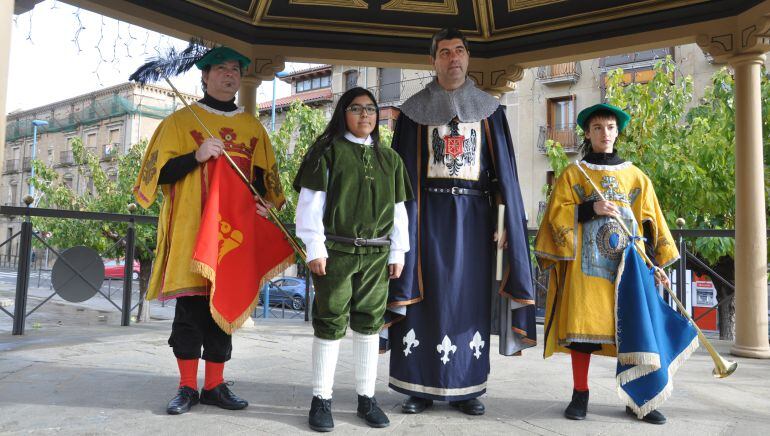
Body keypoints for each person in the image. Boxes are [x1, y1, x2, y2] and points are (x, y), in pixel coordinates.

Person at [385, 28, 537, 416]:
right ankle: (417, 387)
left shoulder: (490, 110)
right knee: (425, 297)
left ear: (467, 58)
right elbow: (400, 176)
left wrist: (505, 220)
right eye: (444, 52)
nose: (453, 58)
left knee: (467, 299)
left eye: (459, 51)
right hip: (427, 217)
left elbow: (504, 174)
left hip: (475, 219)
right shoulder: (413, 110)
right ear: (432, 61)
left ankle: (467, 388)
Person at [133, 46, 284, 415]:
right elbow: (157, 175)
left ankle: (215, 384)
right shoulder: (181, 122)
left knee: (224, 310)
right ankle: (187, 387)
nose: (229, 74)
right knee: (190, 310)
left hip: (234, 236)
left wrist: (265, 202)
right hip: (191, 230)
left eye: (235, 69)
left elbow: (265, 180)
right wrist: (195, 157)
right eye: (221, 69)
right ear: (204, 76)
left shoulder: (252, 127)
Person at [534, 103, 679, 424]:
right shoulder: (574, 173)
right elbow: (555, 216)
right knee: (583, 334)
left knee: (636, 332)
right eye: (598, 128)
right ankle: (579, 394)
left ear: (618, 132)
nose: (605, 134)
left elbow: (652, 223)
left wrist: (656, 264)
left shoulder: (636, 176)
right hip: (585, 271)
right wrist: (589, 209)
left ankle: (638, 397)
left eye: (610, 127)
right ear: (587, 133)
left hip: (628, 270)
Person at [293, 87, 412, 432]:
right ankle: (321, 399)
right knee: (330, 321)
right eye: (357, 108)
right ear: (343, 113)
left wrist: (398, 250)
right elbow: (310, 204)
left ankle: (366, 398)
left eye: (371, 109)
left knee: (369, 323)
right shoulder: (326, 151)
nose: (365, 115)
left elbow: (398, 210)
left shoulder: (390, 159)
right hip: (337, 252)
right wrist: (315, 247)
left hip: (377, 254)